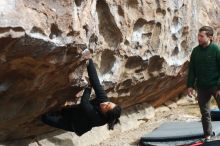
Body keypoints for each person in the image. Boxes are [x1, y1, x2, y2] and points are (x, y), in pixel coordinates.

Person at [41, 49, 122, 136]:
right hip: (76, 111)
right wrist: (89, 60)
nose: (105, 103)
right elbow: (96, 83)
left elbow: (85, 103)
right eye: (109, 103)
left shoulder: (99, 119)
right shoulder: (104, 100)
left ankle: (61, 113)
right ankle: (62, 110)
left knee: (45, 118)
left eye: (106, 107)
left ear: (105, 114)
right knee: (63, 110)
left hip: (73, 124)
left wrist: (88, 87)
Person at [187, 26, 220, 140]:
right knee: (205, 113)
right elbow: (192, 69)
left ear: (209, 37)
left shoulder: (216, 49)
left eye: (201, 36)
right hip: (201, 87)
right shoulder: (196, 51)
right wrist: (190, 85)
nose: (199, 38)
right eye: (198, 36)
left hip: (216, 86)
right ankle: (208, 135)